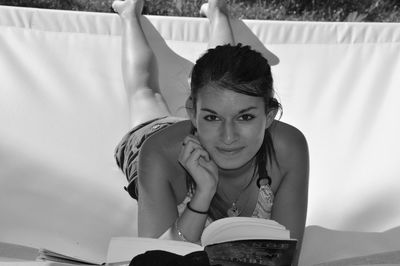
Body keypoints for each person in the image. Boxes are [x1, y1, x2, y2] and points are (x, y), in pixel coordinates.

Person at [112, 0, 309, 264]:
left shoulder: (289, 148)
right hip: (158, 136)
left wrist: (213, 119)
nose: (228, 137)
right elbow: (156, 258)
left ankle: (217, 10)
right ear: (192, 112)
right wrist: (202, 196)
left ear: (269, 116)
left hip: (198, 131)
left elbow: (286, 261)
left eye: (246, 117)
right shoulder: (157, 154)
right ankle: (128, 12)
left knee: (221, 80)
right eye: (212, 116)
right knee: (146, 92)